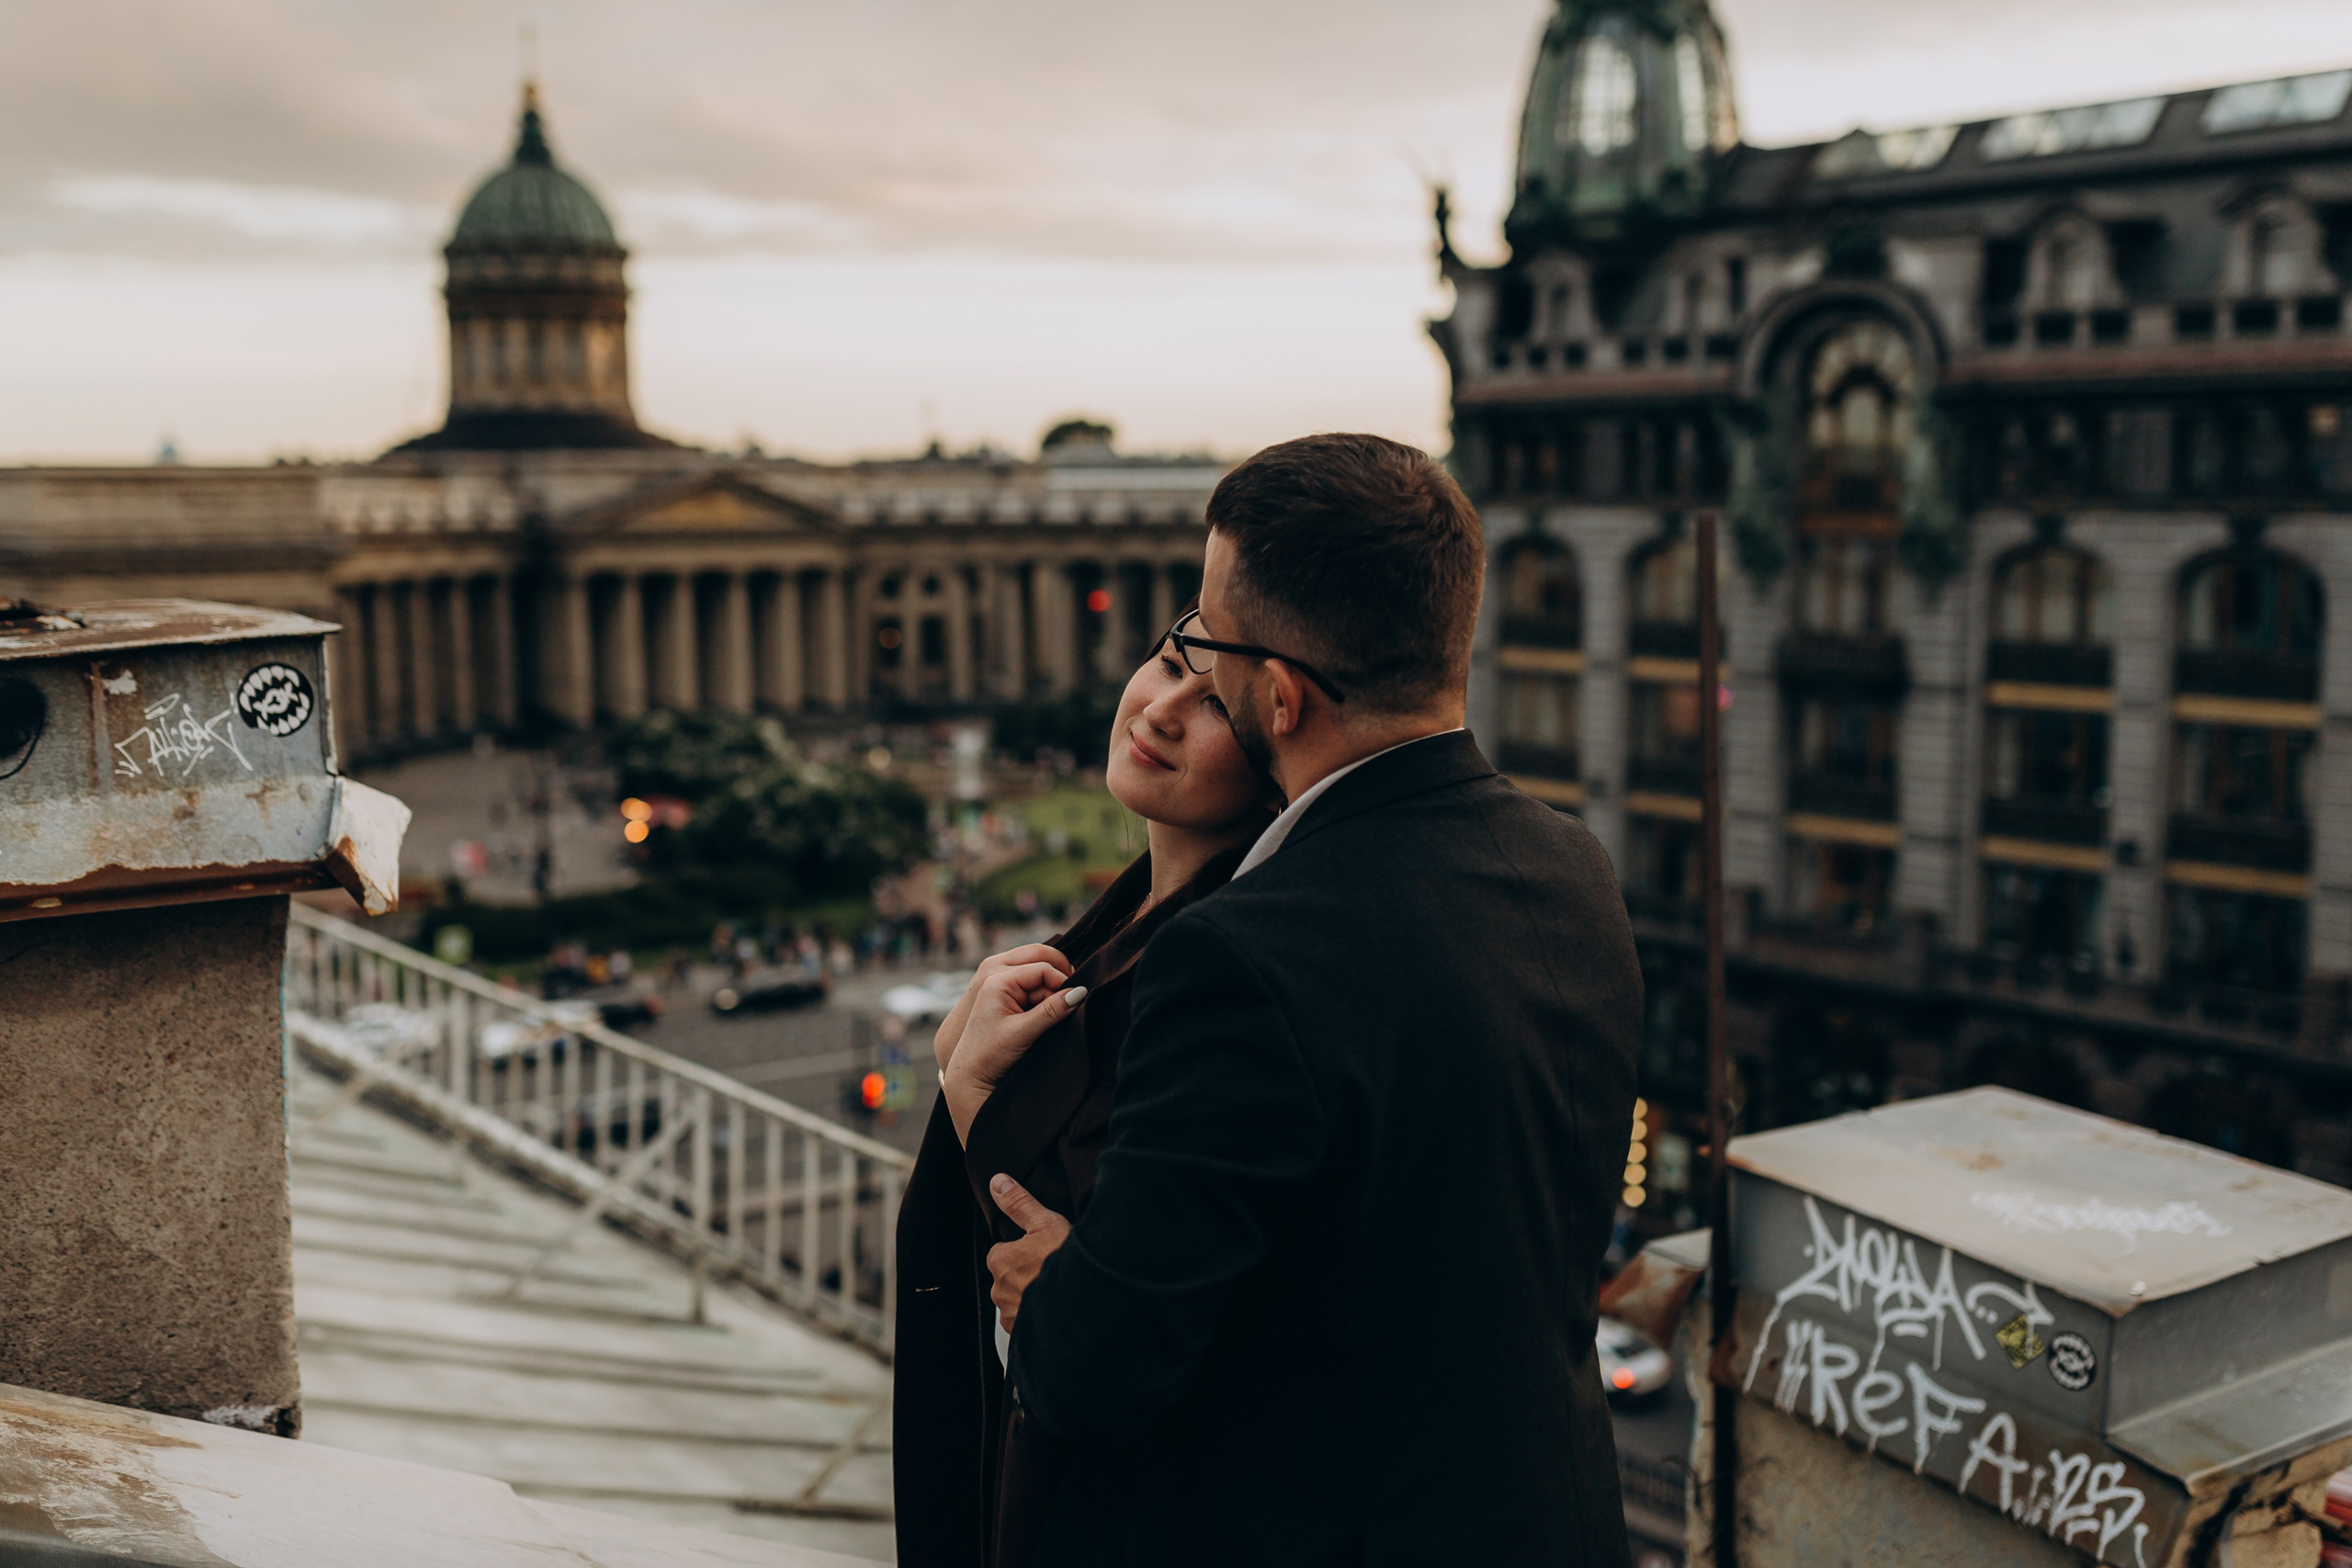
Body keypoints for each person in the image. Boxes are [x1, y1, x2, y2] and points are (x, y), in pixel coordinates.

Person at [943, 433, 1643, 1565]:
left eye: (1206, 646)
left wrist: (992, 1136)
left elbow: (1085, 1372)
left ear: (1278, 696)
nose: (1188, 672)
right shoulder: (1570, 866)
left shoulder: (1245, 959)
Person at [894, 616, 1281, 1568]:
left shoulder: (1214, 972)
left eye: (1216, 709)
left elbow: (1063, 1284)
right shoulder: (1126, 917)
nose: (1160, 708)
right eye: (1166, 664)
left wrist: (969, 1088)